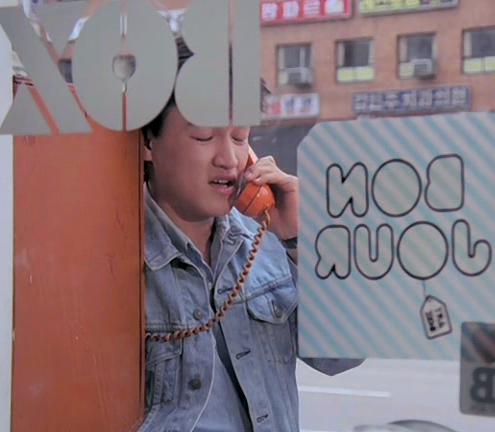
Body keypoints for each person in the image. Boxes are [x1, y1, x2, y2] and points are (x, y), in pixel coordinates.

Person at [138, 39, 362, 432]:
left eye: (240, 137)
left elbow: (343, 357)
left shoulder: (266, 238)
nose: (229, 159)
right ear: (148, 141)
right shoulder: (116, 254)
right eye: (204, 137)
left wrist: (300, 240)